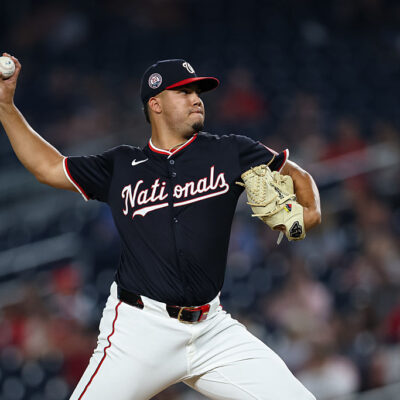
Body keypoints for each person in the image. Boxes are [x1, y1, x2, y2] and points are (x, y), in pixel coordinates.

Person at [0, 54, 321, 400]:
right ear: (155, 103)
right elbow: (48, 167)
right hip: (140, 328)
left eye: (197, 91)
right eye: (182, 92)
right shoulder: (120, 166)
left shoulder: (231, 151)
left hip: (211, 328)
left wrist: (308, 216)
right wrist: (5, 106)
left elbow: (298, 176)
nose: (196, 98)